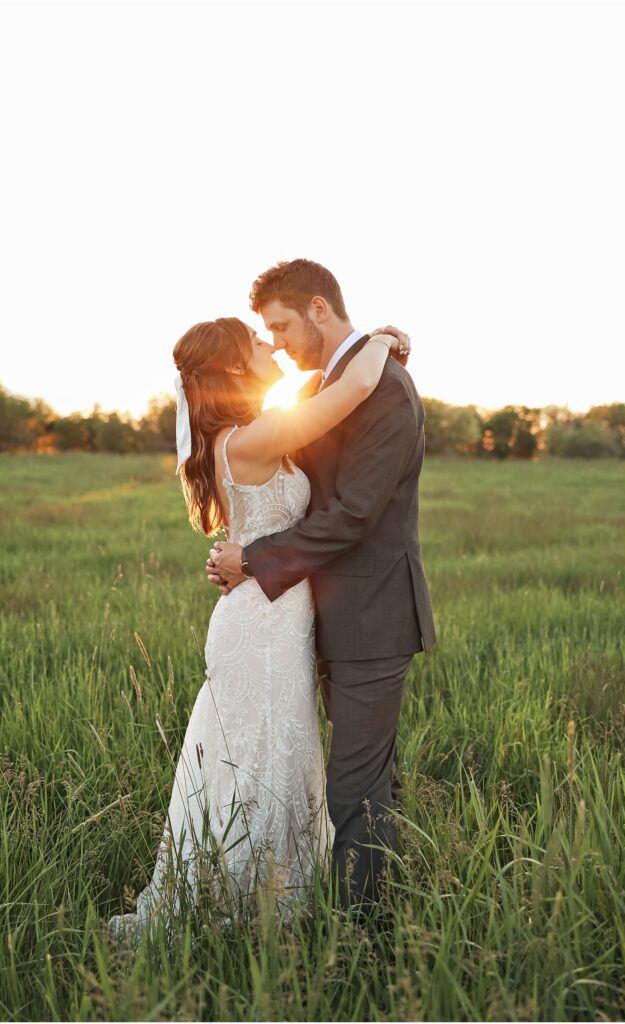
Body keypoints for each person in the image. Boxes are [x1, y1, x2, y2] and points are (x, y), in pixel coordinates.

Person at [108, 314, 405, 944]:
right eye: (258, 343)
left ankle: (267, 887)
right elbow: (348, 394)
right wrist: (380, 342)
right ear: (238, 368)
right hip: (262, 626)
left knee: (272, 752)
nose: (271, 347)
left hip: (269, 615)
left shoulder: (242, 437)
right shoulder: (251, 440)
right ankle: (257, 904)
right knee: (266, 756)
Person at [207, 260, 436, 911]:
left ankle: (368, 951)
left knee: (353, 788)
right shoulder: (332, 384)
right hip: (329, 613)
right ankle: (386, 906)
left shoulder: (385, 388)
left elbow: (355, 513)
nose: (275, 342)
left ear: (316, 308)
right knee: (367, 782)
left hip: (373, 614)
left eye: (279, 326)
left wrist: (254, 560)